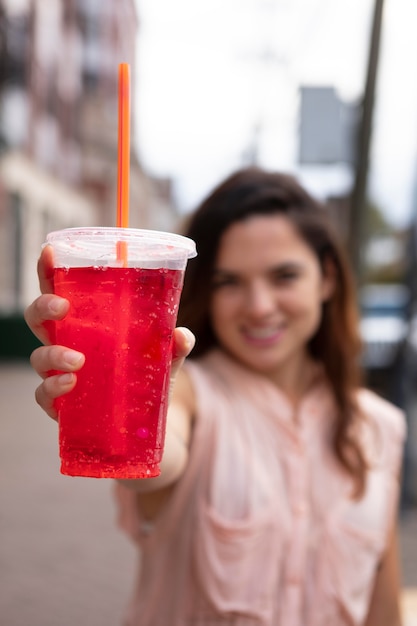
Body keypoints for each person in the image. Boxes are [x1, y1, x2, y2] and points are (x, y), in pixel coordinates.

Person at [25, 167, 406, 626]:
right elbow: (157, 462)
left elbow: (382, 611)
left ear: (326, 278)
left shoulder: (380, 426)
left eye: (284, 276)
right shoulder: (186, 393)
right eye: (230, 282)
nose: (260, 305)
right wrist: (120, 398)